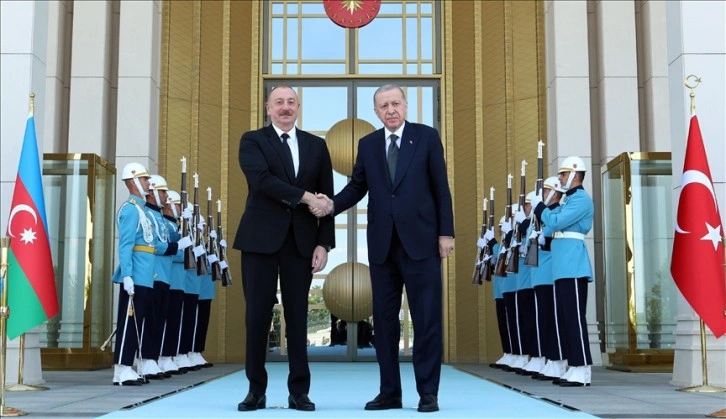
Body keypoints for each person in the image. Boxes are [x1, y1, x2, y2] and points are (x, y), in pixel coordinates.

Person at [313, 84, 454, 413]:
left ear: (405, 106)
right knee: (385, 323)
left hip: (422, 244)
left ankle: (428, 393)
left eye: (395, 103)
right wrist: (331, 205)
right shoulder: (369, 144)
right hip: (382, 247)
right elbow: (357, 187)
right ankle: (390, 392)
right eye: (383, 106)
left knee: (426, 320)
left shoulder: (426, 137)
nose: (390, 110)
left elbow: (441, 187)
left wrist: (445, 233)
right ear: (376, 111)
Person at [233, 85, 335, 412]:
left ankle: (299, 392)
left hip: (301, 243)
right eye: (279, 102)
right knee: (257, 316)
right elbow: (261, 180)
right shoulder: (252, 140)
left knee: (298, 316)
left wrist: (324, 243)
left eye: (291, 102)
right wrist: (305, 197)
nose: (285, 107)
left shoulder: (316, 146)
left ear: (298, 107)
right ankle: (255, 390)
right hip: (259, 241)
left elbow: (327, 197)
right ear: (268, 108)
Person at [531, 156, 594, 387]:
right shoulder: (569, 200)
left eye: (564, 174)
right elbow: (552, 226)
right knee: (565, 319)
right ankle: (572, 365)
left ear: (575, 175)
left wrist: (540, 207)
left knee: (574, 319)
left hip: (573, 265)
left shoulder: (581, 199)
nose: (560, 177)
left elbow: (556, 222)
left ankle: (581, 368)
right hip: (562, 267)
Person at [111, 162, 152, 386]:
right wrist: (127, 275)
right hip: (135, 274)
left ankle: (128, 366)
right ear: (134, 181)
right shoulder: (130, 209)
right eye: (144, 179)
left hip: (144, 275)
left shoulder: (141, 210)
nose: (148, 183)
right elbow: (125, 245)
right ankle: (122, 368)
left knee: (137, 323)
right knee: (128, 323)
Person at [529, 177, 569, 381]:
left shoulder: (556, 213)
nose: (542, 195)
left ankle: (558, 359)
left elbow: (551, 237)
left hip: (550, 274)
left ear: (554, 193)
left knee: (553, 320)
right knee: (545, 320)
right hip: (540, 275)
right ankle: (551, 358)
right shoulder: (543, 215)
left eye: (545, 191)